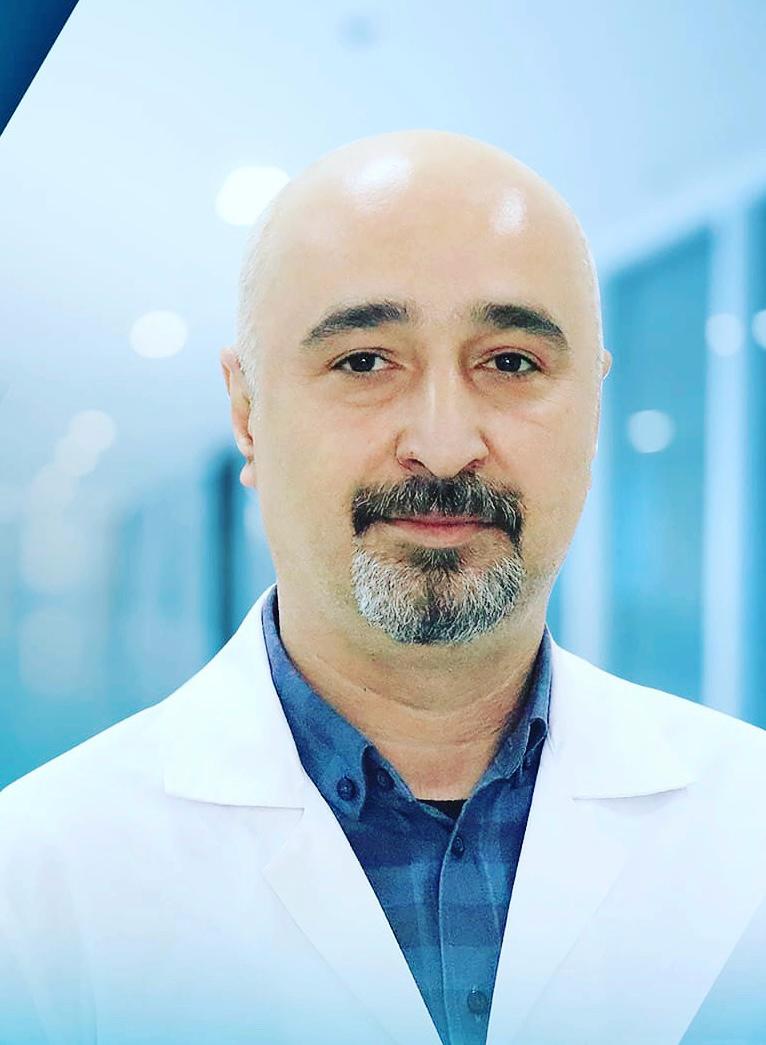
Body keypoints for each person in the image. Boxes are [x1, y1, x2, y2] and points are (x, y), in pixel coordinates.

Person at [1, 130, 765, 1045]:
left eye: (511, 362)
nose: (443, 446)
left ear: (593, 407)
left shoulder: (748, 820)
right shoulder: (35, 885)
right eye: (364, 360)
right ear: (247, 412)